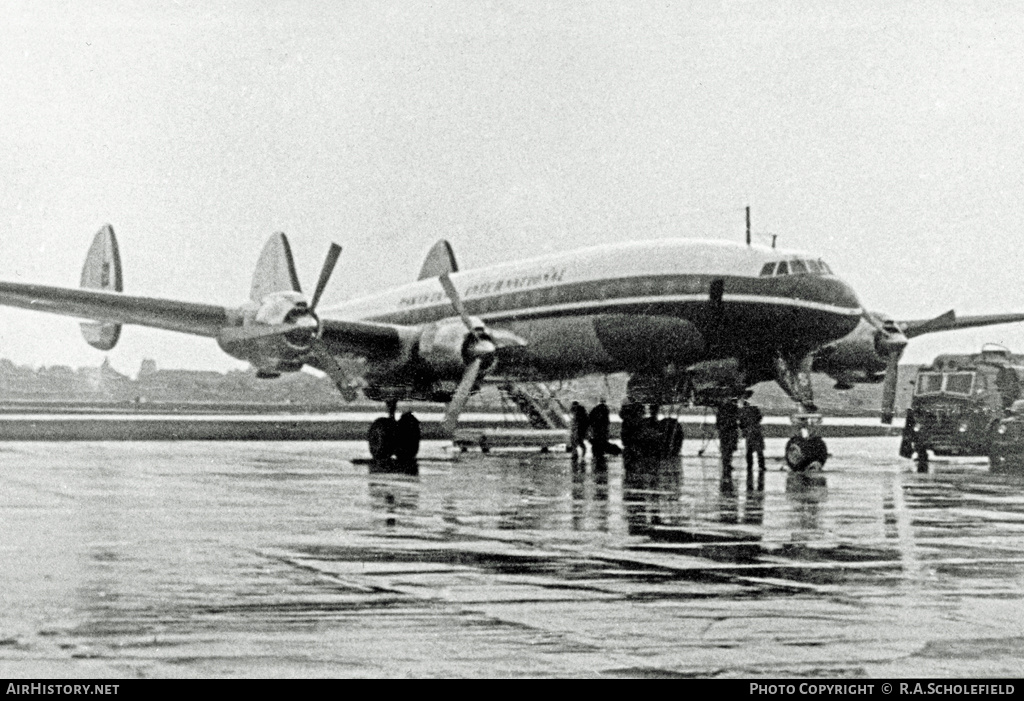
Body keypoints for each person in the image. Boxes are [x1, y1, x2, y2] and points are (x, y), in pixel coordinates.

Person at [738, 400, 766, 471]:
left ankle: (749, 466)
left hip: (749, 433)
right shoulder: (755, 409)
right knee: (759, 450)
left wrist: (744, 431)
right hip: (757, 431)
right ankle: (761, 466)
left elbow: (741, 424)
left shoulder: (742, 411)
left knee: (749, 451)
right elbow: (760, 418)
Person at [716, 398, 739, 475]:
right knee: (729, 448)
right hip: (730, 431)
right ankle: (727, 464)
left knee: (726, 448)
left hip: (725, 431)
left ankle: (726, 464)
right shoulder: (733, 408)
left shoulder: (722, 408)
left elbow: (718, 421)